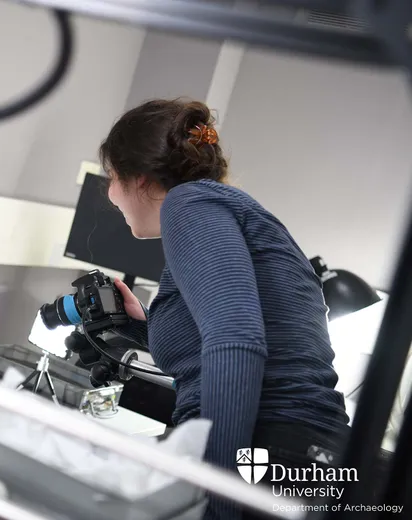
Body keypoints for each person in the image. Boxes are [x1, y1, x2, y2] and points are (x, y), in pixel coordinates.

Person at [101, 99, 350, 519]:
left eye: (110, 178)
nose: (109, 193)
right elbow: (244, 334)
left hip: (268, 450)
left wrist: (216, 492)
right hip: (304, 455)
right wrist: (142, 329)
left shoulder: (188, 205)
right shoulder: (229, 210)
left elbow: (236, 340)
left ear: (137, 178)